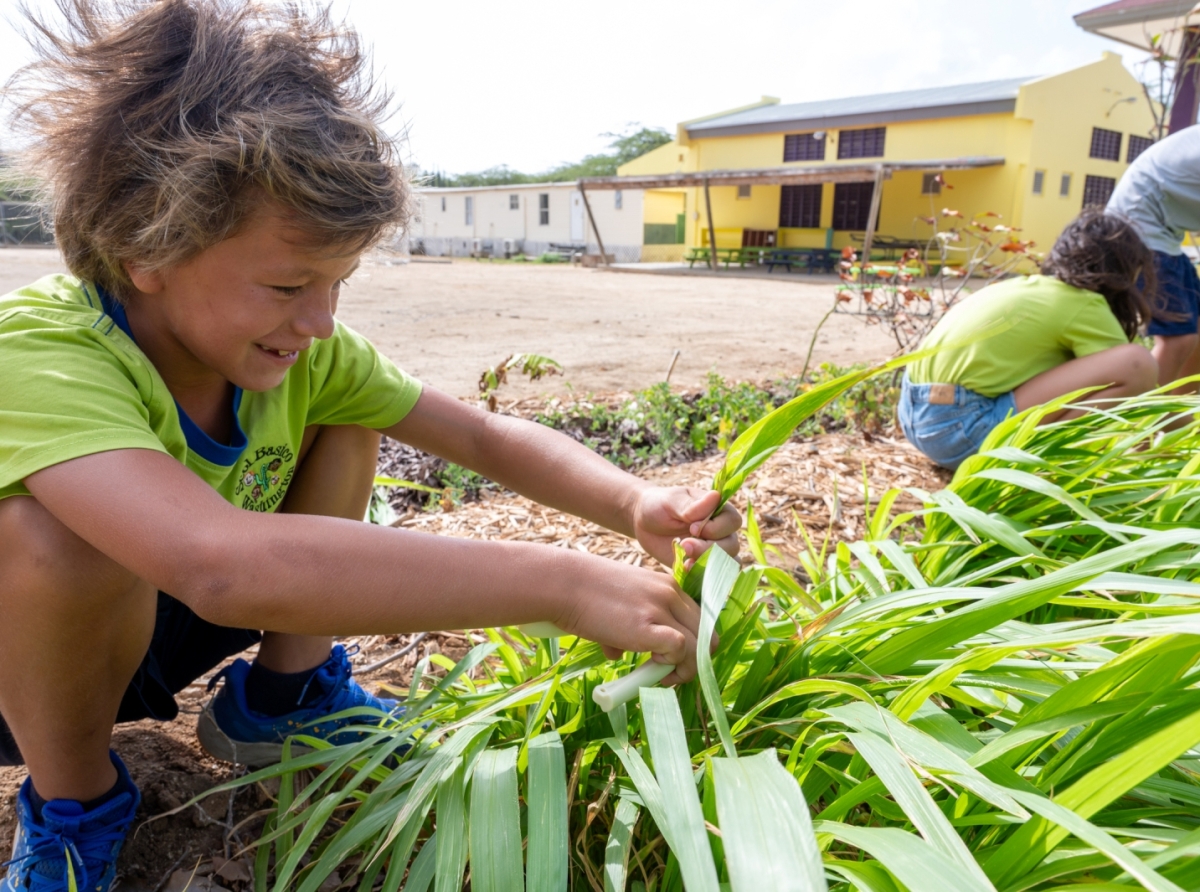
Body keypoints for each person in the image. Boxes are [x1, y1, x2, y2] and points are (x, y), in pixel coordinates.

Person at [0, 3, 739, 888]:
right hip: (35, 650)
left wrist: (631, 503)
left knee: (354, 411)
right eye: (286, 284)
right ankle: (76, 803)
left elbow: (479, 432)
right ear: (142, 249)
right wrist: (565, 583)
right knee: (46, 532)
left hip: (170, 605)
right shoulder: (41, 352)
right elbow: (215, 564)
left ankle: (284, 701)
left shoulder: (298, 351)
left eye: (338, 283)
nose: (318, 321)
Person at [900, 210, 1159, 469]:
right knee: (1136, 363)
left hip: (915, 417)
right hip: (962, 431)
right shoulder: (1084, 304)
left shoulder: (1030, 287)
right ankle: (1061, 466)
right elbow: (1140, 396)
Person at [1107, 125, 1200, 389]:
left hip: (1164, 236)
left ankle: (1179, 418)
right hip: (1138, 233)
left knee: (1195, 335)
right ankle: (1145, 424)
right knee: (1178, 339)